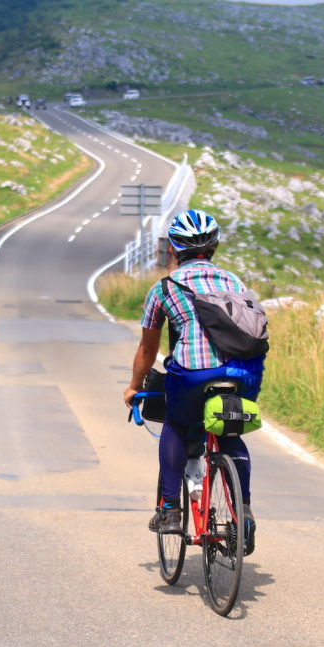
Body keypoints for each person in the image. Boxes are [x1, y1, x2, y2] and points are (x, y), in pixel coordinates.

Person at [122, 208, 263, 554]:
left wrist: (134, 386)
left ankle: (170, 508)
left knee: (177, 423)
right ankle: (242, 512)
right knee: (229, 431)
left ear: (173, 249)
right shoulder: (235, 282)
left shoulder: (165, 288)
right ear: (214, 246)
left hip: (193, 375)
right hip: (245, 372)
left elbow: (148, 346)